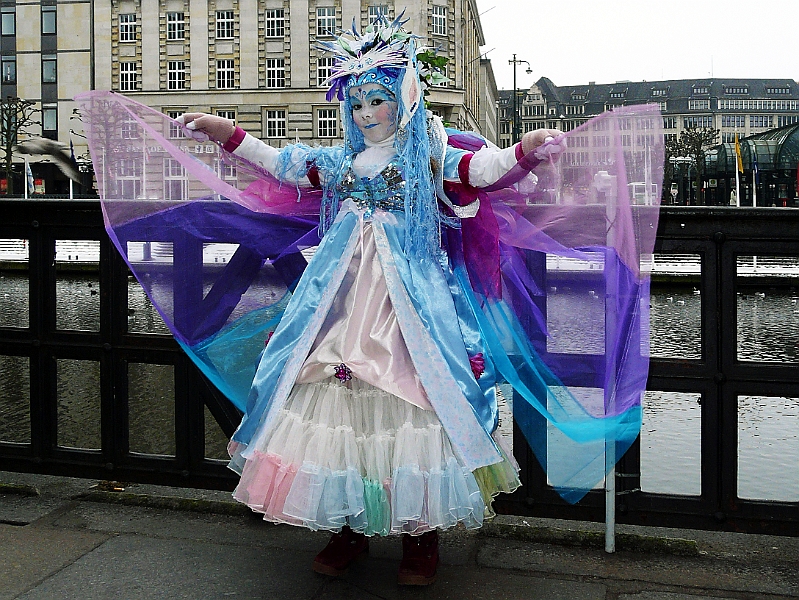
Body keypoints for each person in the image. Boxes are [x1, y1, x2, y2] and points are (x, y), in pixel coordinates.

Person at [176, 15, 561, 586]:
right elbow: (285, 163)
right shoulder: (343, 161)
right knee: (334, 401)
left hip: (410, 303)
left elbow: (480, 170)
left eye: (375, 101)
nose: (363, 115)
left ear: (402, 98)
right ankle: (349, 524)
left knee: (417, 399)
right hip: (337, 300)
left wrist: (523, 151)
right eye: (355, 105)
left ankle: (419, 536)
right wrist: (227, 132)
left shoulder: (428, 152)